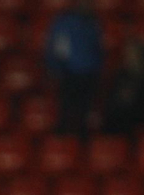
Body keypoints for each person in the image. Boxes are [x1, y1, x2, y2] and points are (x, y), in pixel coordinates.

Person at [45, 0, 103, 138]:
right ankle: (63, 143)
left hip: (88, 75)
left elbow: (98, 49)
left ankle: (80, 143)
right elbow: (58, 49)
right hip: (70, 74)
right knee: (67, 112)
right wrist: (56, 68)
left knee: (83, 113)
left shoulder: (92, 24)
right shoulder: (65, 24)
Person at [102, 38, 144, 137]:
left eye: (133, 54)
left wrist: (131, 96)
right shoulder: (120, 74)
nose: (129, 57)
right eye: (128, 54)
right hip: (117, 115)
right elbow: (112, 97)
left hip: (137, 116)